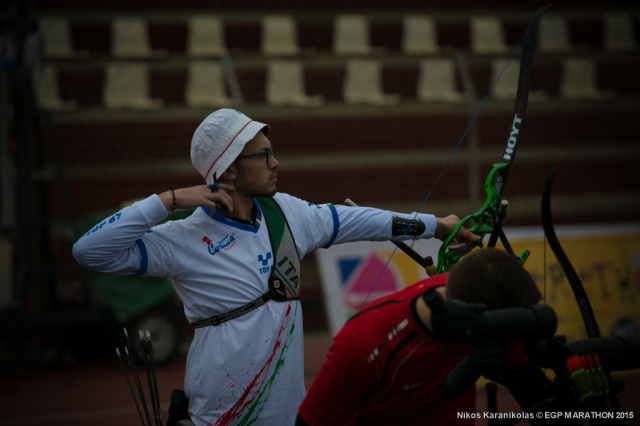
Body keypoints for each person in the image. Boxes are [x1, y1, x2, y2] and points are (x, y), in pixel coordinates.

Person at [72, 108, 478, 426]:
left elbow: (360, 220)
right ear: (229, 169)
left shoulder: (287, 212)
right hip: (221, 411)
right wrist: (169, 199)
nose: (276, 162)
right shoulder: (183, 236)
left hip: (287, 411)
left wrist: (437, 227)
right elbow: (89, 252)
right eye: (264, 155)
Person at [297, 248, 553, 426]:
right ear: (475, 316)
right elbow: (312, 421)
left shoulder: (485, 309)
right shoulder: (361, 343)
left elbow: (535, 393)